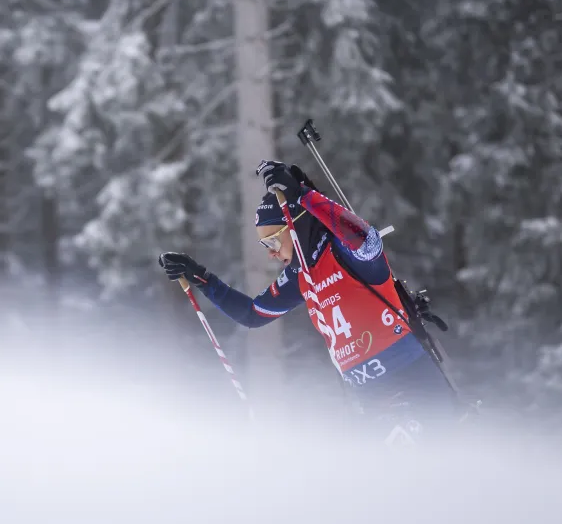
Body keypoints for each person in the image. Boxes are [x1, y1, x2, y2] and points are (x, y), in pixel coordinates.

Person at [159, 160, 459, 443]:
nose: (271, 252)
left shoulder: (343, 249)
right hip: (370, 398)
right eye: (265, 244)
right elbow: (253, 314)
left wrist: (303, 196)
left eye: (272, 241)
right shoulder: (301, 275)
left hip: (413, 382)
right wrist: (201, 278)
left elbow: (368, 241)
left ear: (295, 225)